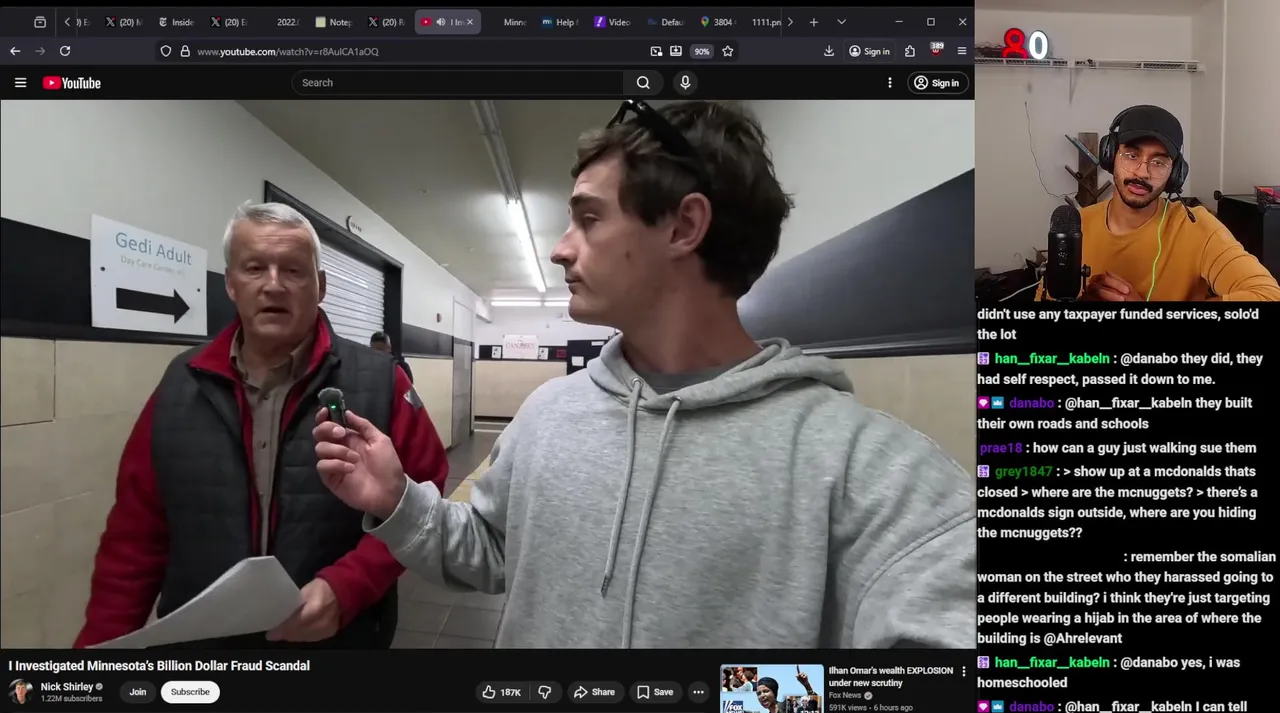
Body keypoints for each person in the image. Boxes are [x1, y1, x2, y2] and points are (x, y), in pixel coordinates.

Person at [313, 100, 976, 648]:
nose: (560, 248)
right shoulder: (546, 414)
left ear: (684, 226)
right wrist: (397, 500)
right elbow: (487, 550)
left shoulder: (871, 470)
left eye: (588, 218)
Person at [74, 202, 449, 650]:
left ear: (321, 286)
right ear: (231, 283)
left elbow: (423, 496)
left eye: (293, 270)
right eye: (255, 268)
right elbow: (134, 538)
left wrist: (348, 587)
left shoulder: (382, 382)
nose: (273, 285)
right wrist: (98, 653)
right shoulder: (181, 383)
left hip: (337, 640)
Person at [1050, 104, 1280, 301]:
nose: (1143, 172)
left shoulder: (1197, 227)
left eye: (1158, 162)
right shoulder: (1077, 224)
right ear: (1110, 156)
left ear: (1175, 174)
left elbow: (1268, 295)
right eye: (1131, 156)